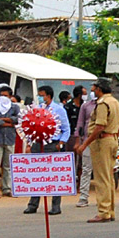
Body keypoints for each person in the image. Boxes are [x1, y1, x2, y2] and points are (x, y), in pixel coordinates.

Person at [73, 78, 119, 223]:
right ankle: (110, 210)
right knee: (109, 177)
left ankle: (103, 211)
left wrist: (85, 144)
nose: (92, 90)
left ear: (99, 88)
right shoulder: (115, 102)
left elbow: (99, 127)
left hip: (102, 142)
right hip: (111, 139)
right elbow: (118, 125)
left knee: (101, 178)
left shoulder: (102, 104)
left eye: (94, 88)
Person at [23, 85, 71, 215]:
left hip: (52, 144)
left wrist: (60, 144)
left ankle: (56, 206)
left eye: (42, 95)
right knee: (36, 174)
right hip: (38, 144)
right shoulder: (38, 109)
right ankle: (33, 204)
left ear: (48, 96)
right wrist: (29, 143)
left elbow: (66, 129)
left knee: (53, 175)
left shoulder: (59, 109)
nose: (40, 97)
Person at [71, 84, 95, 208]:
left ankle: (105, 199)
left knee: (104, 171)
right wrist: (77, 142)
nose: (92, 93)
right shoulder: (86, 106)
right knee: (86, 169)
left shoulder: (108, 104)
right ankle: (83, 197)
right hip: (87, 141)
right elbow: (80, 124)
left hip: (102, 142)